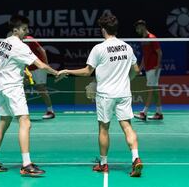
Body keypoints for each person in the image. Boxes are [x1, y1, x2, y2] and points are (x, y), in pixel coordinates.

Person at [57, 13, 143, 177]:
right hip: (124, 93)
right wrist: (126, 79)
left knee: (104, 129)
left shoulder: (99, 48)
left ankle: (103, 164)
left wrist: (67, 70)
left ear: (103, 30)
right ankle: (136, 158)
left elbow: (87, 71)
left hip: (105, 95)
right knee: (127, 127)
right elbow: (136, 71)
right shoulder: (127, 47)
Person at [0, 14, 59, 176]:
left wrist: (17, 69)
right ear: (15, 29)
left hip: (1, 87)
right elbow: (39, 64)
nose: (27, 32)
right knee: (25, 122)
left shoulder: (4, 43)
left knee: (4, 121)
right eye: (24, 29)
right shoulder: (20, 46)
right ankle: (26, 164)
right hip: (13, 88)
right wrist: (56, 72)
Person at [133, 20, 164, 121]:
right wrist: (140, 68)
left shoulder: (152, 38)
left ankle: (143, 113)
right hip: (148, 68)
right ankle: (159, 113)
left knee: (149, 90)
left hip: (153, 68)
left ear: (142, 26)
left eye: (137, 28)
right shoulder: (143, 39)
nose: (136, 30)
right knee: (155, 91)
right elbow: (144, 56)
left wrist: (157, 66)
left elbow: (159, 53)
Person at [25, 35, 56, 119]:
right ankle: (23, 112)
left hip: (38, 68)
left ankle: (50, 111)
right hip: (27, 68)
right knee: (22, 88)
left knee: (41, 88)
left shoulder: (29, 40)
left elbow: (42, 50)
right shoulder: (16, 42)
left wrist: (46, 65)